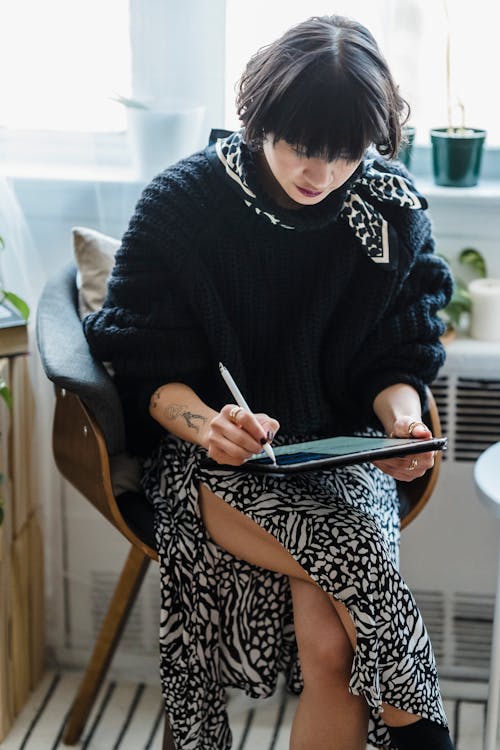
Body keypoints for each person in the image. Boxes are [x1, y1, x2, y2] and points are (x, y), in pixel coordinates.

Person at [83, 14, 454, 750]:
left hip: (342, 451)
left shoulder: (390, 209)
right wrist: (208, 424)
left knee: (333, 650)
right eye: (301, 148)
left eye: (345, 155)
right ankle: (423, 732)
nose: (319, 174)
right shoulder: (184, 206)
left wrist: (403, 423)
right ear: (259, 119)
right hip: (212, 462)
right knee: (359, 552)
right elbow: (143, 370)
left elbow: (400, 353)